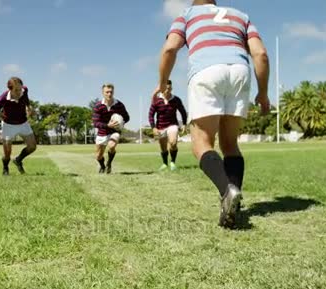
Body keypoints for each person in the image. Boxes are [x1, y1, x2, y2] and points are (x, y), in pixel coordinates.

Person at [154, 0, 270, 228]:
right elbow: (261, 54)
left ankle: (227, 190)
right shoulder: (240, 16)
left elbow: (170, 48)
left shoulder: (187, 14)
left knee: (201, 144)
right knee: (230, 144)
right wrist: (263, 93)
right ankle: (231, 205)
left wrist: (161, 83)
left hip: (207, 71)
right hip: (239, 71)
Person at [0, 77, 37, 176]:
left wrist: (29, 107)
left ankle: (18, 160)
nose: (19, 92)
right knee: (7, 153)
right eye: (16, 90)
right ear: (10, 89)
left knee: (32, 146)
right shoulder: (3, 98)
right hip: (8, 125)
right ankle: (5, 167)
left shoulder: (24, 90)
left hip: (23, 122)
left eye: (20, 89)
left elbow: (26, 98)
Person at [149, 80, 188, 171]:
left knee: (173, 142)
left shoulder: (176, 99)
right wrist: (153, 127)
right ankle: (165, 163)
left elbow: (183, 112)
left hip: (172, 125)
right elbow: (151, 115)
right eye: (166, 88)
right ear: (162, 89)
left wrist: (184, 124)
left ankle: (173, 162)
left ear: (171, 88)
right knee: (163, 148)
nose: (168, 90)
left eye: (169, 88)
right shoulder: (156, 100)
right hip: (160, 126)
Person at [92, 83, 130, 174]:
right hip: (102, 132)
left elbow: (127, 117)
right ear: (103, 93)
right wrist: (107, 125)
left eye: (111, 92)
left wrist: (121, 123)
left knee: (112, 145)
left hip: (114, 131)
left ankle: (109, 163)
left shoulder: (119, 105)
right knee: (98, 156)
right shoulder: (98, 106)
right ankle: (102, 166)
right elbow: (95, 122)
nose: (109, 94)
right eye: (107, 92)